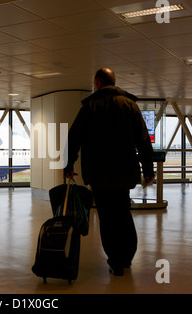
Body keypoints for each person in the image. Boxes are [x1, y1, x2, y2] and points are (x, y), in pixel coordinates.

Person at [64, 68, 155, 276]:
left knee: (106, 217)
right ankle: (127, 257)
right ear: (114, 82)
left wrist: (69, 165)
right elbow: (143, 140)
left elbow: (74, 138)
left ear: (97, 83)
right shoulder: (130, 105)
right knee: (123, 212)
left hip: (99, 173)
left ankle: (115, 261)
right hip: (124, 173)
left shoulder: (90, 106)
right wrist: (148, 169)